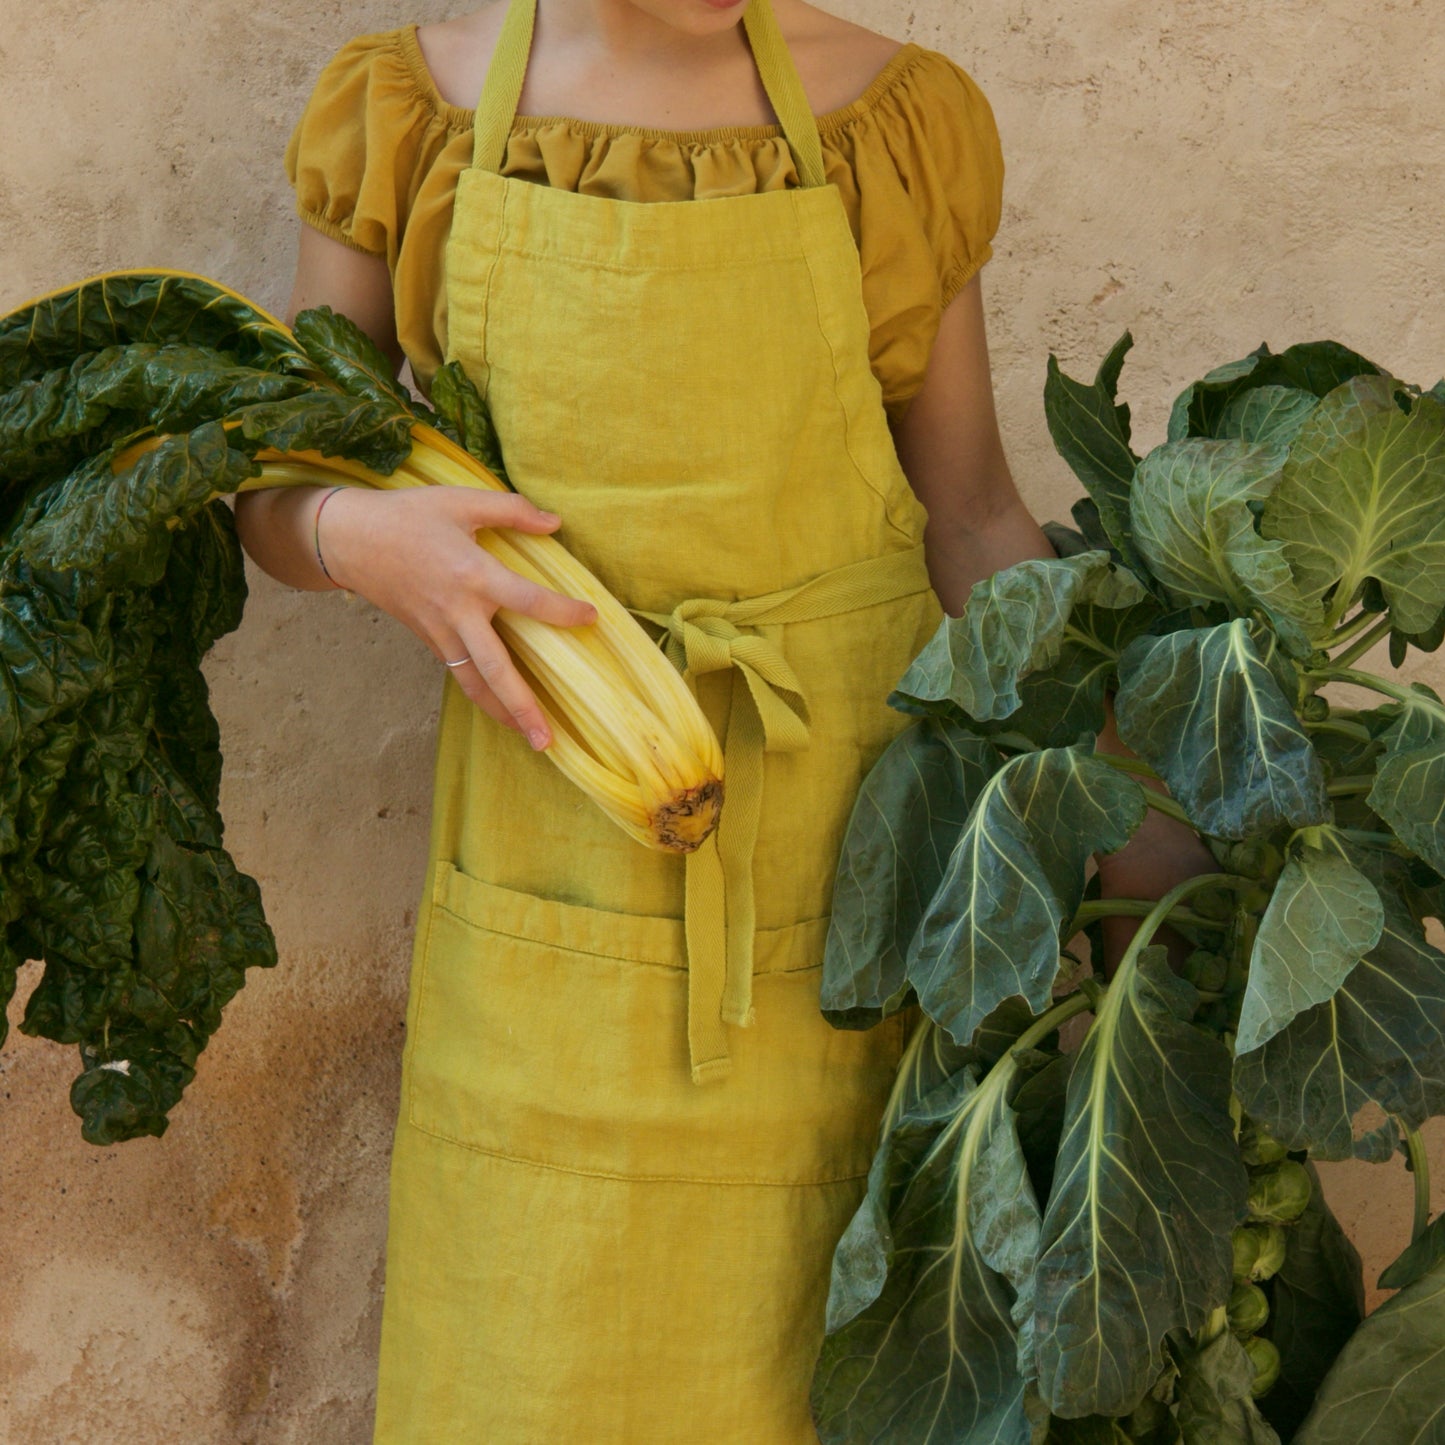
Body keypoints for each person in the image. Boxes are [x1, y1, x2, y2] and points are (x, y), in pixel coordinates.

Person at [234, 0, 1206, 1436]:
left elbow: (973, 516)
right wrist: (354, 536)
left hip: (848, 904)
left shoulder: (891, 122)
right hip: (544, 890)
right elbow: (273, 484)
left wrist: (1148, 855)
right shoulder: (409, 116)